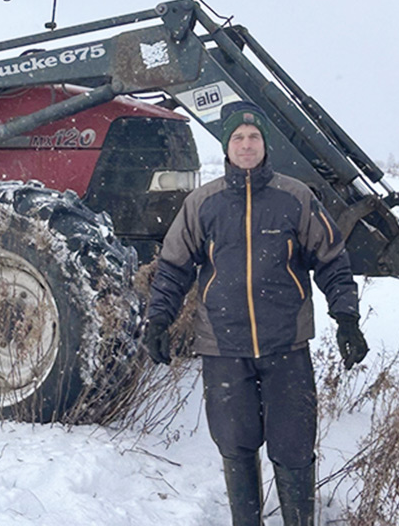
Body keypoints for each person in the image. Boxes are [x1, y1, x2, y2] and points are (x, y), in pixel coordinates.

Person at [143, 101, 369, 526]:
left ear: (265, 145)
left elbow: (333, 260)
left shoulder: (295, 198)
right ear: (227, 147)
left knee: (294, 447)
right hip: (223, 347)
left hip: (286, 345)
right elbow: (174, 266)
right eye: (238, 138)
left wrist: (347, 318)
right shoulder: (202, 203)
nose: (246, 145)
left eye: (254, 137)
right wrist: (159, 319)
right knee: (236, 443)